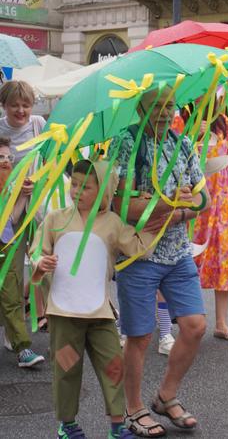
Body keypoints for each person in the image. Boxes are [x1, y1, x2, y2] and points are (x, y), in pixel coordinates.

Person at [30, 159, 152, 439]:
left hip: (99, 313)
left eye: (86, 187)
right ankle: (67, 424)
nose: (77, 191)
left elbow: (138, 248)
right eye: (74, 184)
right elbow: (38, 249)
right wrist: (40, 263)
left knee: (114, 365)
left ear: (104, 193)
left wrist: (160, 219)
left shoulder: (112, 223)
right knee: (66, 369)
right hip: (64, 313)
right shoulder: (55, 218)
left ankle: (117, 426)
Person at [113, 89, 209, 437]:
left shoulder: (182, 144)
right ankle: (133, 407)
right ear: (141, 108)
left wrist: (173, 208)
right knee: (139, 336)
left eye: (169, 105)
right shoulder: (127, 142)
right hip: (139, 254)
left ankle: (166, 396)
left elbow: (203, 199)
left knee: (195, 326)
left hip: (178, 252)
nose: (164, 112)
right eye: (156, 106)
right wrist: (176, 203)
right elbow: (123, 206)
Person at [188, 106, 228, 341]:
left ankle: (221, 323)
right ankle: (188, 319)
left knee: (224, 258)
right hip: (197, 203)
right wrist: (194, 135)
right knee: (188, 260)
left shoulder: (223, 120)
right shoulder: (185, 115)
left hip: (223, 202)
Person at [0, 80, 48, 330]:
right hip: (10, 209)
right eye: (14, 105)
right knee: (14, 268)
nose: (21, 111)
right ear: (4, 105)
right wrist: (16, 188)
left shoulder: (39, 124)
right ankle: (14, 330)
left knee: (45, 258)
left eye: (26, 105)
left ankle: (48, 317)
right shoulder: (0, 130)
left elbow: (52, 158)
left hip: (39, 205)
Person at [0, 137, 45, 368]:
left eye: (9, 157)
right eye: (1, 157)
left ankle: (22, 347)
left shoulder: (9, 186)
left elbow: (12, 220)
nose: (6, 161)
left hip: (4, 250)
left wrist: (25, 193)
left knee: (11, 295)